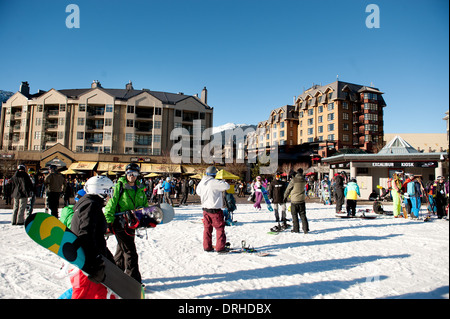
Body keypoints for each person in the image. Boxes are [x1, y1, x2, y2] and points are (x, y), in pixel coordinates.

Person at [70, 175, 117, 299]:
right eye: (109, 191)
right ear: (102, 190)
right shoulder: (91, 206)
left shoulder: (86, 203)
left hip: (87, 258)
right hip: (87, 262)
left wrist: (107, 258)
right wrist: (94, 261)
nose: (109, 196)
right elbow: (86, 234)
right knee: (87, 294)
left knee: (99, 293)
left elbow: (92, 232)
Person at [104, 163, 147, 283]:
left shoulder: (139, 188)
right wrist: (108, 221)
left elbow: (144, 204)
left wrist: (145, 215)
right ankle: (133, 280)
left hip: (132, 223)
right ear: (126, 174)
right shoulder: (119, 186)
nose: (132, 176)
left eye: (135, 173)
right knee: (130, 252)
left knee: (122, 249)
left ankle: (114, 273)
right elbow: (111, 205)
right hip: (120, 223)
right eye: (129, 173)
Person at [196, 166, 230, 252]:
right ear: (214, 174)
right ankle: (220, 247)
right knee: (220, 229)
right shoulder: (214, 182)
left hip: (205, 210)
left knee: (207, 229)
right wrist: (222, 181)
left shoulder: (202, 182)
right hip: (215, 210)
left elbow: (198, 192)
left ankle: (207, 247)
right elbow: (227, 186)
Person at [284, 168, 309, 234]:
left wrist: (285, 197)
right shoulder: (304, 180)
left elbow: (288, 189)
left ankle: (296, 229)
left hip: (294, 200)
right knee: (303, 215)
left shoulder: (294, 180)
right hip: (302, 200)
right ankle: (305, 229)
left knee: (294, 215)